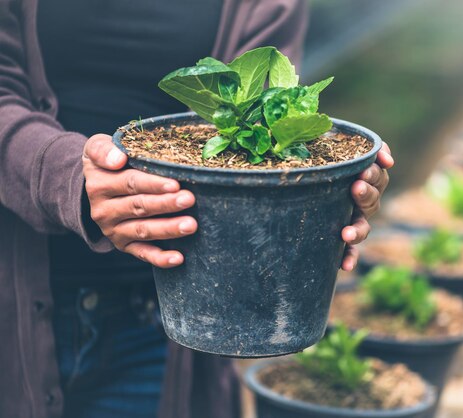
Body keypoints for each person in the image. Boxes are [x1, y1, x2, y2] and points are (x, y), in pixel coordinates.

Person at [0, 1, 393, 417]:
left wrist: (324, 197)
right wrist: (69, 179)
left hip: (170, 327)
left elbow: (264, 114)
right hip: (17, 309)